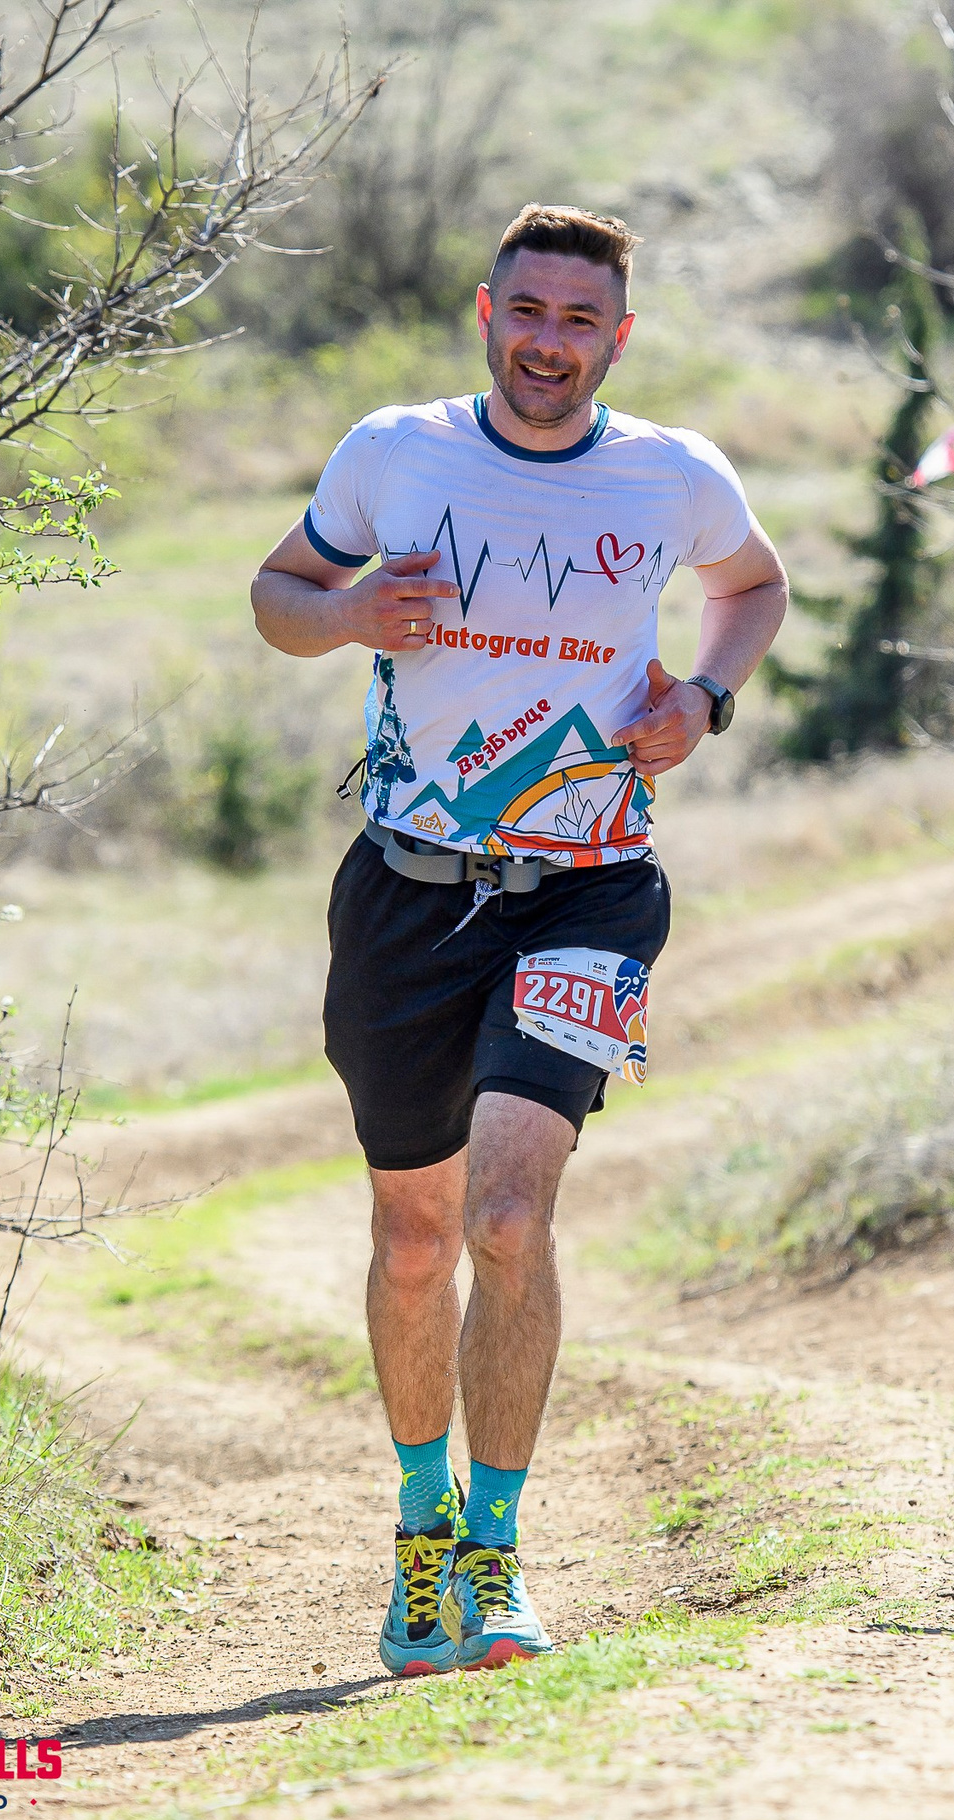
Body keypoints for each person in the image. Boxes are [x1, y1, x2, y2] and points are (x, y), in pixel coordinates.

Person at [251, 204, 789, 1675]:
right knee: (415, 1241)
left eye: (581, 320)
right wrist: (354, 610)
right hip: (408, 890)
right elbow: (277, 597)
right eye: (529, 311)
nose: (551, 343)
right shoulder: (394, 452)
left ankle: (496, 1549)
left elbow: (754, 589)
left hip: (590, 885)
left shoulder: (672, 474)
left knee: (506, 1217)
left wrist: (707, 701)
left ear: (620, 336)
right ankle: (421, 1532)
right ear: (485, 311)